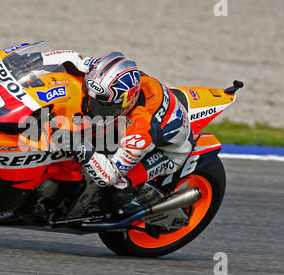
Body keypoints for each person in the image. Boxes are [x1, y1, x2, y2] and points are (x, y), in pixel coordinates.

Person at [36, 50, 194, 205]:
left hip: (171, 152)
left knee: (118, 188)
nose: (93, 110)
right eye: (91, 100)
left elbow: (110, 176)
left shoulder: (140, 129)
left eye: (104, 107)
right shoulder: (103, 75)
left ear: (126, 103)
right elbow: (71, 58)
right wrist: (31, 60)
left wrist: (76, 144)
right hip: (138, 118)